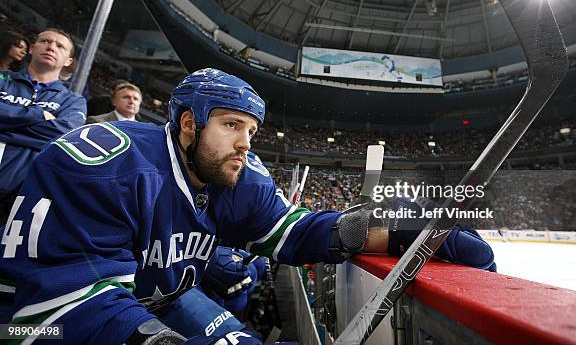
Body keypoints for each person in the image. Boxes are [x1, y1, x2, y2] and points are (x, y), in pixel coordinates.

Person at [0, 68, 494, 344]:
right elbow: (66, 301)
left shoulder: (232, 178)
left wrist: (410, 234)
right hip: (34, 317)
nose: (245, 144)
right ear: (189, 123)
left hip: (161, 299)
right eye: (232, 126)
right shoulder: (110, 160)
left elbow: (296, 232)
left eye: (251, 132)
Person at [0, 28, 87, 222]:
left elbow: (62, 138)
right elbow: (49, 134)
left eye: (60, 46)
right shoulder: (2, 79)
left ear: (68, 61)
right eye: (45, 41)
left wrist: (5, 125)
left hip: (22, 197)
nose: (51, 47)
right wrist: (38, 115)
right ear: (31, 48)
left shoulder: (73, 101)